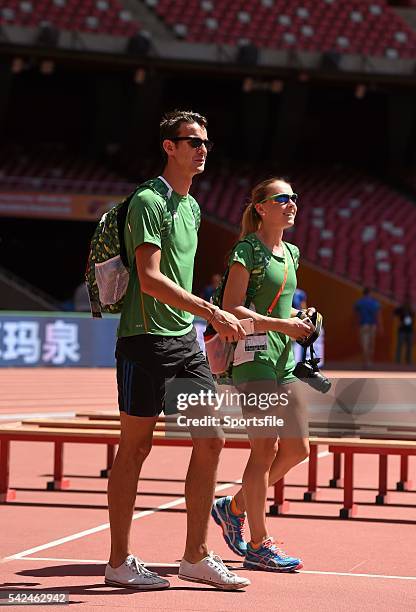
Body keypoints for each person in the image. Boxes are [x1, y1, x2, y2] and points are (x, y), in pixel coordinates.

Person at [106, 110, 250, 591]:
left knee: (211, 440)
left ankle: (196, 556)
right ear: (169, 147)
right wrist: (211, 312)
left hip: (184, 341)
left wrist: (199, 320)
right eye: (191, 141)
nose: (201, 148)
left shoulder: (191, 206)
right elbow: (148, 279)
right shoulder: (149, 200)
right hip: (143, 340)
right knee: (137, 448)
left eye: (205, 141)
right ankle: (119, 561)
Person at [210, 177, 314, 572]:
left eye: (294, 198)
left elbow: (279, 307)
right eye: (282, 198)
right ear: (261, 208)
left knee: (298, 448)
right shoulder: (246, 250)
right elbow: (233, 307)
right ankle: (258, 543)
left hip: (282, 359)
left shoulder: (292, 252)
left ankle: (233, 506)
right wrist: (283, 325)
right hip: (252, 360)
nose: (291, 204)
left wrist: (299, 319)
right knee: (265, 449)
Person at [354, 288, 382, 368]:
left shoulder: (359, 302)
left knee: (364, 343)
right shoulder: (375, 303)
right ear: (370, 293)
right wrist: (380, 326)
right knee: (371, 344)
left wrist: (356, 325)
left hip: (363, 325)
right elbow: (378, 315)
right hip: (373, 325)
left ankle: (366, 361)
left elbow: (357, 315)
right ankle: (369, 361)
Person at [394, 297, 414, 365]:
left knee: (409, 347)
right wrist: (398, 322)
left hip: (409, 330)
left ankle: (408, 361)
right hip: (401, 330)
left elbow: (412, 320)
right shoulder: (401, 308)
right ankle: (397, 361)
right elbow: (394, 313)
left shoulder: (411, 309)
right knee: (399, 346)